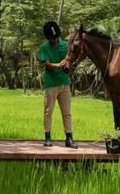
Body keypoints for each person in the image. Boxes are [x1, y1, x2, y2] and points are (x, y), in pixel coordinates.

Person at [39, 21, 77, 149]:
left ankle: (69, 138)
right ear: (48, 38)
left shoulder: (65, 45)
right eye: (52, 38)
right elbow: (47, 64)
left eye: (56, 38)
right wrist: (58, 65)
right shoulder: (44, 48)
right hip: (51, 85)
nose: (55, 40)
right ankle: (48, 137)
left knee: (67, 113)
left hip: (64, 84)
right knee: (48, 112)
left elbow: (69, 61)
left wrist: (67, 66)